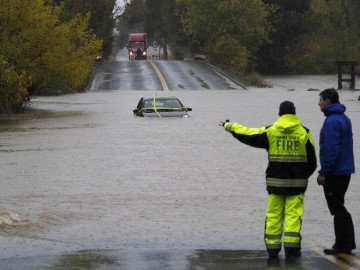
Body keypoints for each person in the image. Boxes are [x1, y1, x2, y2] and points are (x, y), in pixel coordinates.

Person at [220, 101, 317, 259]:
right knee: (293, 216)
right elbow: (312, 161)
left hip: (275, 184)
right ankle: (292, 250)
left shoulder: (270, 131)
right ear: (294, 114)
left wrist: (229, 126)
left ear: (279, 114)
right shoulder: (304, 132)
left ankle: (273, 250)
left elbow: (248, 134)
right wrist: (302, 176)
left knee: (273, 215)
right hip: (297, 185)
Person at [317, 88, 356, 254]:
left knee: (337, 208)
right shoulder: (344, 118)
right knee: (338, 206)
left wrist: (324, 172)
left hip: (335, 172)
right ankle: (343, 242)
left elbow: (331, 149)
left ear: (327, 101)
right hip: (345, 170)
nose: (318, 103)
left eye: (320, 99)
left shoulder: (332, 121)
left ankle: (344, 244)